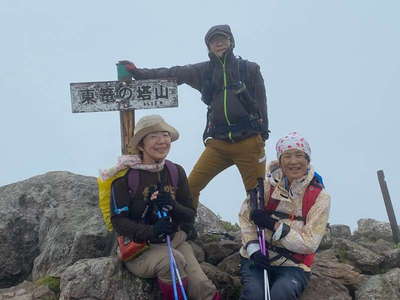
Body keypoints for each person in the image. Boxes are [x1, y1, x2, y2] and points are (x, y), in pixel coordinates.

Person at [118, 24, 269, 238]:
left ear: (231, 42)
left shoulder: (249, 69)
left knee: (257, 197)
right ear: (208, 46)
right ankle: (186, 230)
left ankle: (260, 241)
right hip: (218, 144)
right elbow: (173, 73)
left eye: (223, 39)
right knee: (189, 187)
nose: (218, 43)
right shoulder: (204, 71)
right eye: (213, 40)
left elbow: (262, 102)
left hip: (248, 142)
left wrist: (262, 134)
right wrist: (139, 73)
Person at [104, 115, 220, 300]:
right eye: (153, 136)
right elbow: (119, 222)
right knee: (172, 262)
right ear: (141, 145)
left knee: (203, 287)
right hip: (139, 248)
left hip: (174, 240)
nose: (162, 141)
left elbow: (190, 214)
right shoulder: (125, 178)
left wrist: (172, 206)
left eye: (165, 135)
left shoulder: (175, 172)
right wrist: (152, 230)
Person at [238, 132, 331, 300]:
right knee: (255, 294)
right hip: (257, 258)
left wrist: (274, 225)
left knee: (282, 294)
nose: (293, 161)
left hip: (294, 265)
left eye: (299, 155)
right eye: (287, 156)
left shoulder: (320, 197)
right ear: (280, 161)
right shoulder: (265, 187)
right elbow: (246, 218)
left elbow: (310, 243)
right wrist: (253, 250)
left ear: (307, 160)